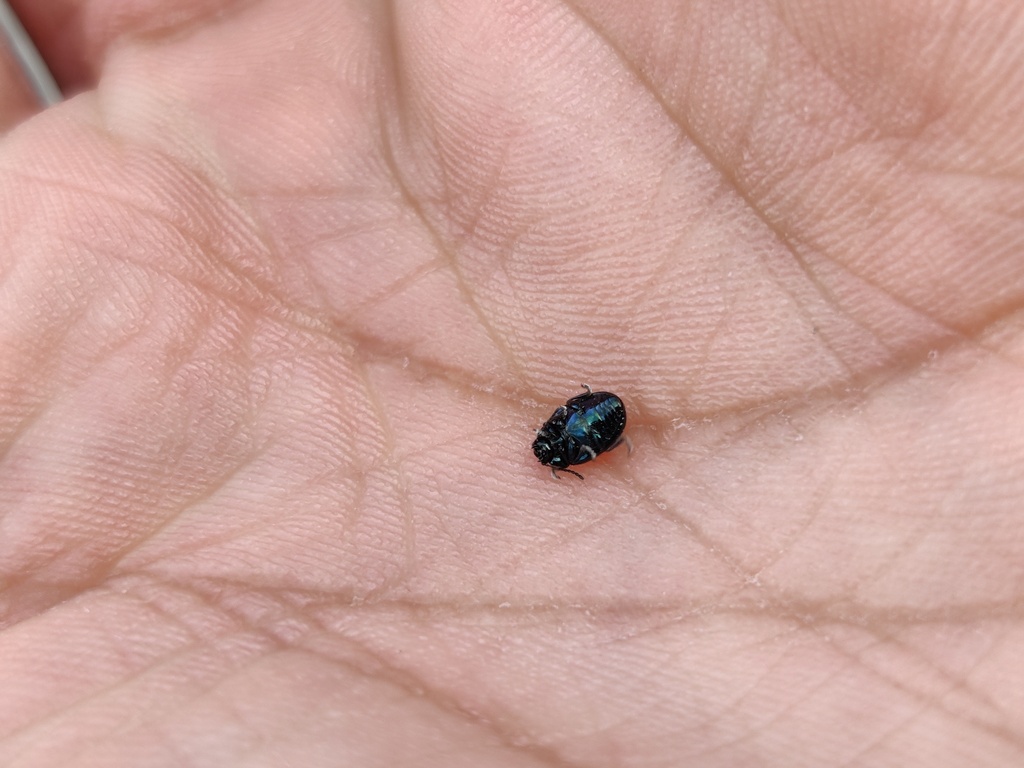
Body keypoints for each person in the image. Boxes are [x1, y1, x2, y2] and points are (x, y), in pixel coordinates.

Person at [1, 1, 1022, 765]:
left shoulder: (578, 442)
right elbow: (592, 423)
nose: (556, 451)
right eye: (559, 449)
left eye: (559, 449)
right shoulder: (575, 443)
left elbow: (594, 421)